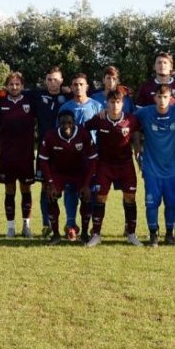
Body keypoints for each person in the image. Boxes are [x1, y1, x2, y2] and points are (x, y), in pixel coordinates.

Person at [134, 84, 175, 246]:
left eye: (165, 97)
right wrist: (137, 143)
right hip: (151, 168)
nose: (162, 100)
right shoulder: (145, 112)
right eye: (159, 97)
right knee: (151, 203)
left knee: (172, 203)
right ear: (154, 98)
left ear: (171, 98)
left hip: (172, 169)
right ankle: (153, 234)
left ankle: (169, 234)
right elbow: (128, 119)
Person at [84, 89, 142, 246]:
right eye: (111, 102)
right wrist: (89, 148)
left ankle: (131, 234)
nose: (115, 105)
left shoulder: (130, 119)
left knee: (130, 197)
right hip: (104, 165)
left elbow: (137, 131)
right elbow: (84, 129)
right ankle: (96, 234)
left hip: (125, 165)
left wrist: (137, 146)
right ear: (107, 103)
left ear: (122, 103)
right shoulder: (100, 119)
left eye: (118, 102)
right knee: (100, 198)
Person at [38, 110, 98, 245]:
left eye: (70, 123)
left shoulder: (83, 133)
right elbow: (43, 160)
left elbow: (93, 159)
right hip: (58, 173)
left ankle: (83, 234)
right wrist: (50, 183)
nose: (67, 126)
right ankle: (56, 234)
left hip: (80, 173)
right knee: (51, 196)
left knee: (87, 197)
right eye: (63, 123)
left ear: (75, 123)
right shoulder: (50, 136)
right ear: (58, 124)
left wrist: (87, 184)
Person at [59, 73, 104, 241]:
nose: (78, 87)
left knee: (90, 192)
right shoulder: (65, 108)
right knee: (70, 190)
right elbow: (59, 133)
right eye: (75, 84)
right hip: (70, 158)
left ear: (87, 87)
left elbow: (102, 132)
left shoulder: (97, 106)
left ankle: (90, 227)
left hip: (90, 158)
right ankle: (71, 225)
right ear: (71, 87)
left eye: (81, 84)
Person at [30, 65, 70, 237]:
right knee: (46, 187)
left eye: (56, 80)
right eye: (49, 80)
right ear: (45, 81)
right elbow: (10, 93)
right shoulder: (37, 95)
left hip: (67, 151)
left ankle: (70, 224)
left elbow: (89, 93)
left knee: (69, 187)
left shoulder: (69, 95)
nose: (52, 83)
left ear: (61, 81)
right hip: (45, 150)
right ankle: (47, 224)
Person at [0, 72, 36, 238]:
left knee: (26, 190)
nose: (14, 87)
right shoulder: (0, 102)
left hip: (26, 155)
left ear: (22, 86)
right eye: (11, 84)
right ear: (7, 86)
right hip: (7, 156)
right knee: (10, 191)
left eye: (17, 84)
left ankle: (26, 226)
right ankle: (10, 227)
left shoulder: (29, 101)